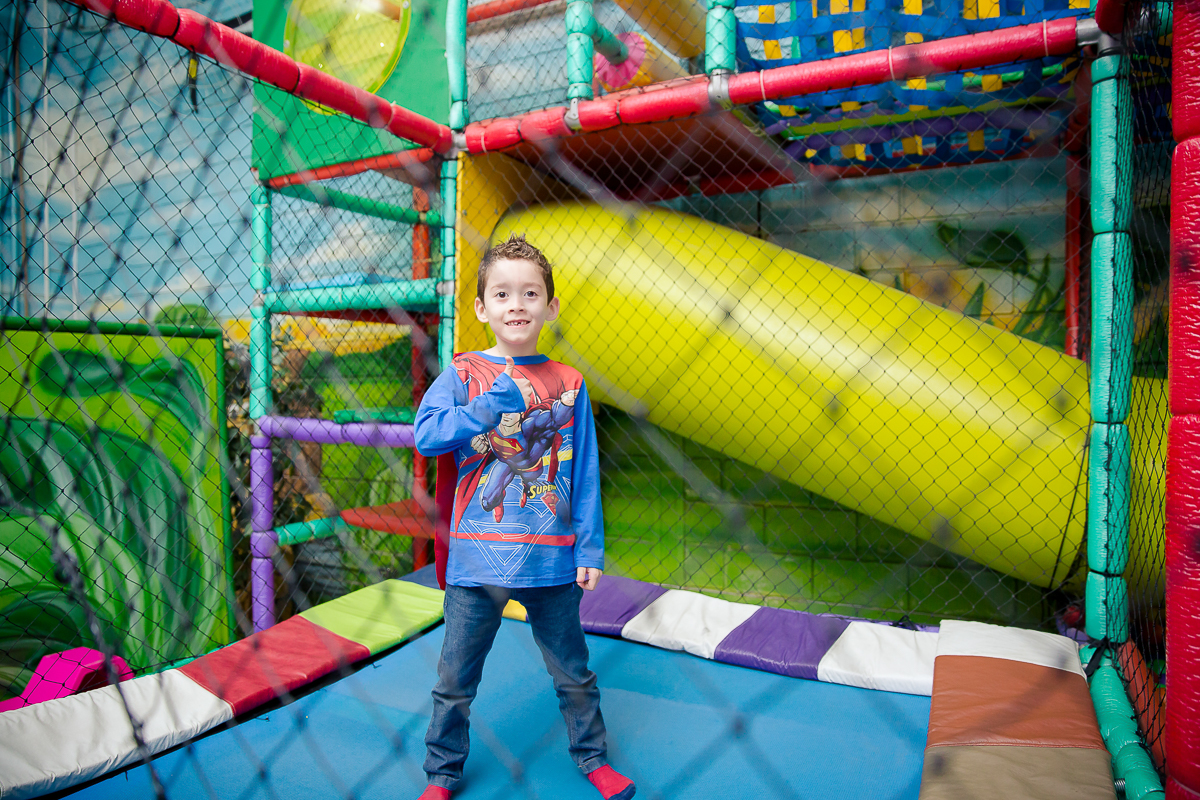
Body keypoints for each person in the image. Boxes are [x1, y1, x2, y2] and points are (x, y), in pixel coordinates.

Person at [413, 234, 636, 800]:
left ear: (550, 307)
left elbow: (585, 470)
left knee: (574, 673)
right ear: (481, 308)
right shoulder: (463, 373)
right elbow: (427, 435)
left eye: (530, 293)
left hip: (550, 560)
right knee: (455, 680)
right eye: (503, 293)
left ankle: (593, 759)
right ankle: (442, 775)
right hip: (476, 559)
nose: (517, 304)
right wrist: (488, 406)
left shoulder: (570, 383)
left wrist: (589, 548)